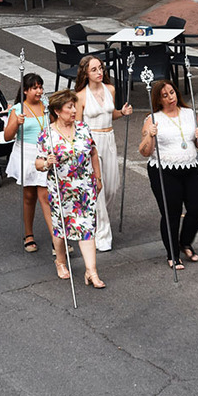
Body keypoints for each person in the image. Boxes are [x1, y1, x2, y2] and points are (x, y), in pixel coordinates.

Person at [35, 89, 106, 287]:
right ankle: (60, 260)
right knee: (61, 229)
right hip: (61, 189)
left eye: (74, 106)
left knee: (86, 228)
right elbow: (38, 163)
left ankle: (91, 272)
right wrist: (47, 162)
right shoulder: (47, 134)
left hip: (84, 187)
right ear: (58, 111)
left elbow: (93, 152)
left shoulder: (83, 128)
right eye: (70, 107)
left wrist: (97, 177)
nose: (74, 110)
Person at [138, 79, 198, 270]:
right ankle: (172, 253)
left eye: (172, 92)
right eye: (165, 95)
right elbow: (144, 151)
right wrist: (150, 135)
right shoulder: (152, 119)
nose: (170, 97)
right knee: (171, 212)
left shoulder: (190, 114)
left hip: (190, 165)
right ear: (159, 100)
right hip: (164, 169)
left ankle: (184, 241)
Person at [75, 55, 132, 253]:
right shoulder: (81, 96)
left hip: (109, 140)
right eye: (94, 70)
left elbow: (110, 114)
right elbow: (78, 126)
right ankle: (103, 234)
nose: (99, 72)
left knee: (111, 188)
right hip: (92, 143)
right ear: (86, 73)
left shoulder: (110, 89)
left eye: (100, 68)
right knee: (97, 189)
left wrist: (122, 113)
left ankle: (93, 219)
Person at [4, 73, 52, 255]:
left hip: (44, 153)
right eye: (35, 88)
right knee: (29, 196)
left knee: (45, 195)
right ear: (25, 90)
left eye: (40, 87)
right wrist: (16, 123)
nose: (39, 91)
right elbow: (8, 136)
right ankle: (28, 234)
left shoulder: (46, 106)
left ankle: (57, 239)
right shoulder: (17, 109)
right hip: (26, 152)